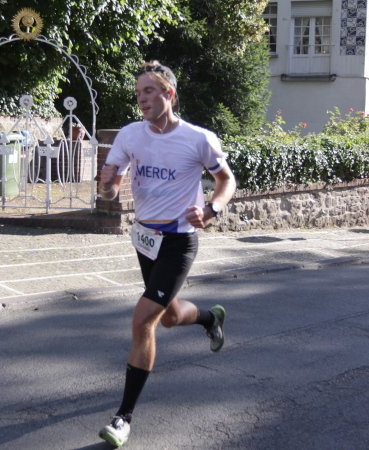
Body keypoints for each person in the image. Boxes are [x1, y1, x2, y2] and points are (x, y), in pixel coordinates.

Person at [97, 60, 237, 447]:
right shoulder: (129, 135)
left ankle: (123, 418)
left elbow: (226, 180)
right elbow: (110, 191)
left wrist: (211, 209)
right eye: (138, 92)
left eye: (149, 91)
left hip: (178, 241)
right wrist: (106, 187)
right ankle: (210, 317)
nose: (141, 99)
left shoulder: (198, 139)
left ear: (168, 94)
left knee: (143, 320)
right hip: (145, 238)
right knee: (170, 317)